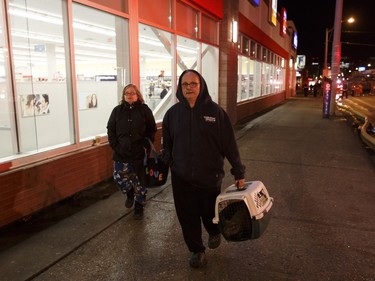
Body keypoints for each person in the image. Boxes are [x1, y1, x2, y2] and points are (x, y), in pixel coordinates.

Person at [161, 70, 246, 268]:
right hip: (181, 176)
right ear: (180, 88)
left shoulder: (216, 113)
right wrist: (169, 160)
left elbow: (229, 145)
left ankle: (214, 231)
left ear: (202, 85)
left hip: (209, 175)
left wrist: (238, 172)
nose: (189, 87)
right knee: (187, 216)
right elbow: (167, 143)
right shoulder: (172, 114)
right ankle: (196, 250)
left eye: (193, 83)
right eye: (185, 84)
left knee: (209, 212)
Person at [107, 84, 157, 219]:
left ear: (137, 95)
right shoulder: (117, 111)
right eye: (127, 93)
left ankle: (139, 207)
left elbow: (152, 129)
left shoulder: (144, 110)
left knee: (140, 181)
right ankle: (129, 192)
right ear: (123, 95)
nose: (129, 95)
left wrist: (145, 144)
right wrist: (115, 145)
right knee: (119, 178)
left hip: (139, 154)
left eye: (132, 93)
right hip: (121, 153)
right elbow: (111, 129)